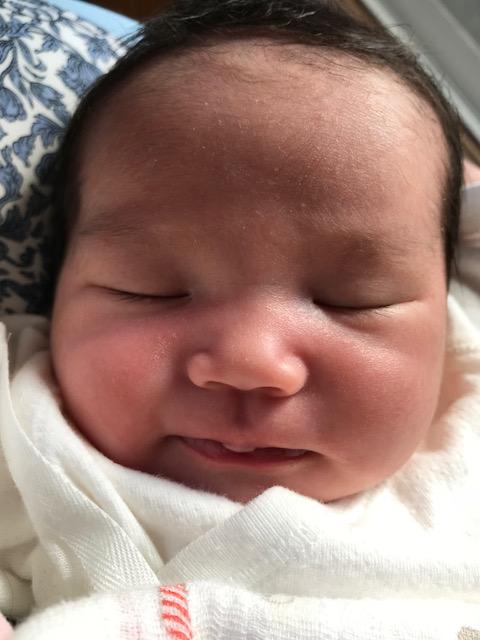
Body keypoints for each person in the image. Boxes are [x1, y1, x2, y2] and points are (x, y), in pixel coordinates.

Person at [1, 0, 480, 637]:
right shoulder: (24, 440)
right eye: (151, 289)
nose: (252, 363)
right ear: (56, 284)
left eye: (351, 299)